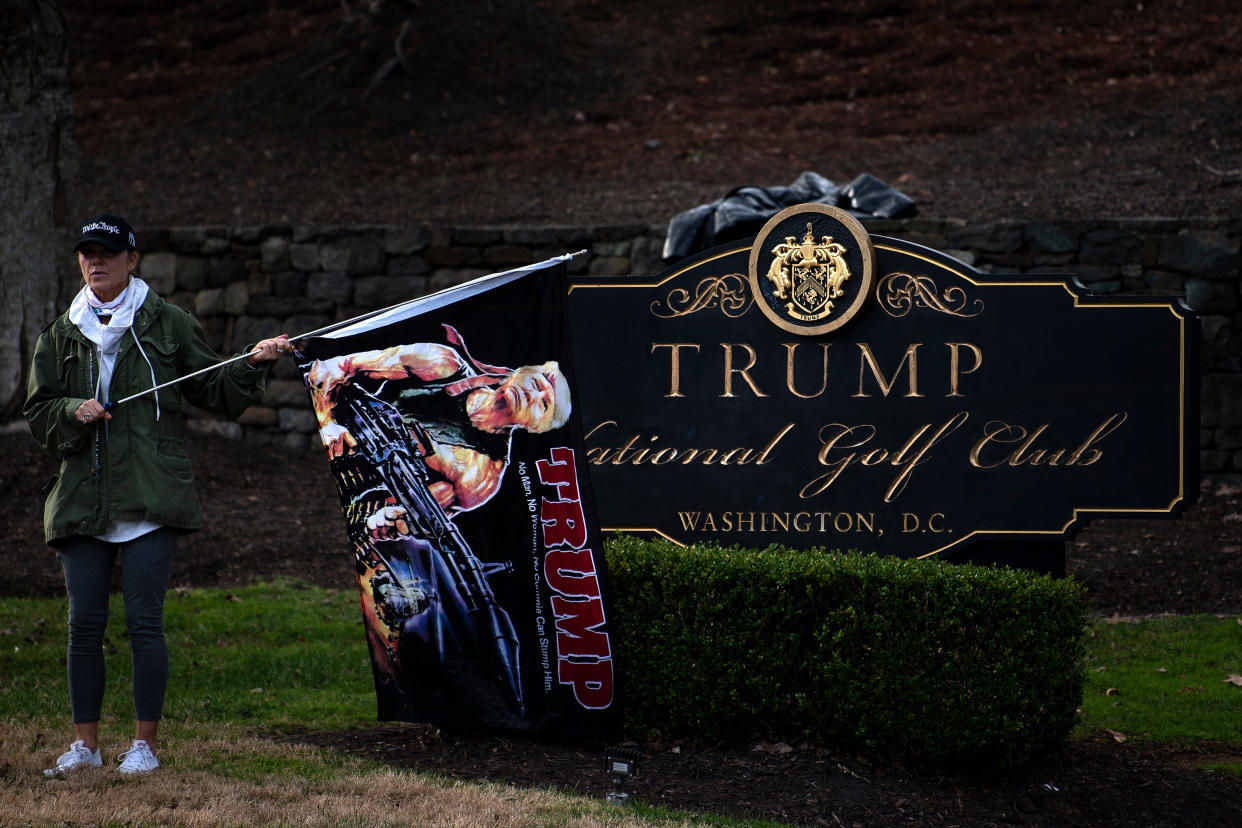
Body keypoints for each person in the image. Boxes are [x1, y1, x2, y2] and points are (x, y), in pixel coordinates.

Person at [23, 213, 290, 776]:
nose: (97, 262)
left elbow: (214, 390)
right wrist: (72, 410)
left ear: (132, 260)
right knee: (83, 624)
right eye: (87, 253)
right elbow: (40, 413)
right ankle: (86, 747)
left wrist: (251, 364)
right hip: (82, 496)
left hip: (151, 493)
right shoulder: (58, 334)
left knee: (145, 622)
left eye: (109, 253)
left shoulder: (169, 324)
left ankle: (143, 746)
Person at [302, 326, 570, 708]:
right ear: (520, 371)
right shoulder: (441, 364)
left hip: (361, 501)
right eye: (543, 379)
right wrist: (330, 423)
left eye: (546, 403)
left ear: (535, 427)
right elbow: (332, 367)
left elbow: (411, 513)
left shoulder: (483, 474)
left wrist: (388, 517)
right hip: (332, 441)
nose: (538, 391)